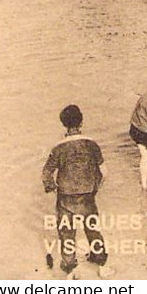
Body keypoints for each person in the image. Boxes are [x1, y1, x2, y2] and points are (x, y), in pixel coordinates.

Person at [41, 104, 108, 277]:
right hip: (87, 195)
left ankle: (69, 265)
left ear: (63, 124)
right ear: (82, 121)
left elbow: (46, 173)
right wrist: (94, 188)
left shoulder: (58, 147)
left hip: (66, 196)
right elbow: (104, 172)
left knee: (66, 232)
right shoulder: (91, 144)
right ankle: (99, 259)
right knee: (92, 228)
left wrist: (53, 189)